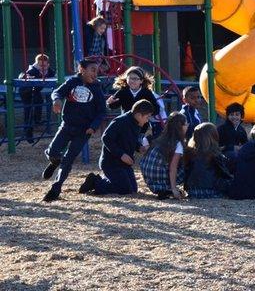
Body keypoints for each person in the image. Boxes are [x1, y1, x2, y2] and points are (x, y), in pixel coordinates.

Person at [42, 58, 106, 203]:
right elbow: (57, 92)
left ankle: (56, 187)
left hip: (84, 131)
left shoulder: (97, 88)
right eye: (92, 70)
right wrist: (56, 100)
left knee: (69, 159)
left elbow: (101, 111)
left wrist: (93, 126)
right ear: (82, 70)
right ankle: (54, 162)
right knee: (53, 152)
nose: (96, 74)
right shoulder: (72, 82)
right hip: (66, 127)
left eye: (97, 71)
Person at [79, 100, 154, 196]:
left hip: (124, 164)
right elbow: (106, 138)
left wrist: (139, 147)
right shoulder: (120, 121)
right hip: (111, 163)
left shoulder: (137, 124)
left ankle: (104, 180)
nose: (147, 120)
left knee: (133, 189)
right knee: (124, 189)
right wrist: (121, 155)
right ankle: (95, 182)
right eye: (147, 117)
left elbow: (131, 139)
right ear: (139, 115)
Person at [138, 112, 188, 200]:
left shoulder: (161, 138)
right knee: (188, 166)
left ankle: (163, 189)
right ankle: (170, 188)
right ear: (181, 127)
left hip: (149, 175)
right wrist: (174, 189)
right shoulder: (177, 143)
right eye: (186, 124)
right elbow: (173, 168)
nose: (187, 126)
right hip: (160, 175)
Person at [184, 123, 233, 199]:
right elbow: (225, 174)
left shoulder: (190, 153)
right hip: (211, 191)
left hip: (192, 191)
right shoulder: (215, 155)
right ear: (214, 136)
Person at [18, 53, 56, 143]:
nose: (42, 67)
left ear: (48, 64)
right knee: (29, 110)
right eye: (40, 65)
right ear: (36, 64)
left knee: (39, 102)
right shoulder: (33, 70)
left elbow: (54, 75)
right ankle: (28, 134)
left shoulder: (49, 70)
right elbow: (23, 75)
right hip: (26, 92)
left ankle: (37, 120)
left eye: (45, 65)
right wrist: (25, 76)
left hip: (35, 91)